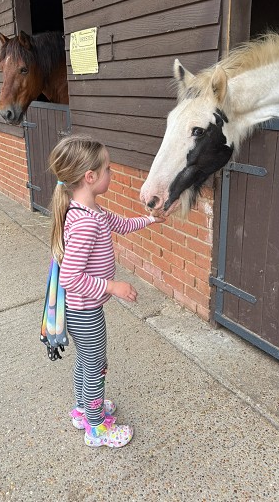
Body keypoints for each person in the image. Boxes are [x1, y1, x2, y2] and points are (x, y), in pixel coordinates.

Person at [48, 135, 165, 448]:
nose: (112, 173)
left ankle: (82, 410)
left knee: (86, 362)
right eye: (108, 169)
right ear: (90, 177)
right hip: (84, 312)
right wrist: (113, 286)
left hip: (83, 310)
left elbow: (122, 224)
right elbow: (70, 277)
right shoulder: (86, 223)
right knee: (96, 367)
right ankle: (96, 427)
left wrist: (151, 219)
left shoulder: (91, 211)